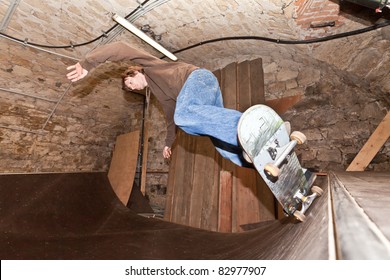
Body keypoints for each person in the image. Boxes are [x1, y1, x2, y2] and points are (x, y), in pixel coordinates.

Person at [66, 41, 251, 167]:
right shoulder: (158, 92)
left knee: (184, 116)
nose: (132, 88)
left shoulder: (150, 67)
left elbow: (121, 48)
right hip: (206, 91)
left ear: (134, 73)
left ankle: (251, 126)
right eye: (130, 89)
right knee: (222, 144)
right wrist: (168, 143)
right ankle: (260, 161)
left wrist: (88, 63)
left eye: (130, 83)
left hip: (197, 78)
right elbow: (170, 116)